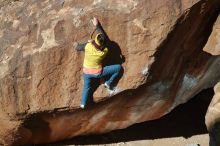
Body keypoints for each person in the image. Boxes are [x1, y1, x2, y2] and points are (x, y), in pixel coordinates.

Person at [73, 17, 122, 109]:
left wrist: (77, 45)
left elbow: (78, 47)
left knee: (86, 88)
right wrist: (97, 25)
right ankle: (108, 82)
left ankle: (83, 104)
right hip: (98, 73)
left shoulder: (87, 47)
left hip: (86, 72)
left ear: (95, 41)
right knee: (119, 68)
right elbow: (104, 39)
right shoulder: (104, 51)